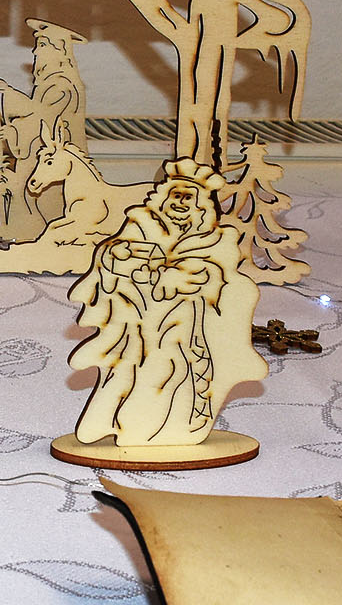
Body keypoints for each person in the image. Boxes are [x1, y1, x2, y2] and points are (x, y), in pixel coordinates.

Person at [68, 159, 264, 446]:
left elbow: (219, 276)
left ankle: (146, 430)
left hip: (180, 327)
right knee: (124, 373)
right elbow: (110, 255)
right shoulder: (141, 224)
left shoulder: (217, 239)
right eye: (176, 195)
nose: (180, 202)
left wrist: (183, 276)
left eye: (188, 197)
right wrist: (117, 256)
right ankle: (107, 422)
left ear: (201, 205)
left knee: (166, 374)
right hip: (135, 325)